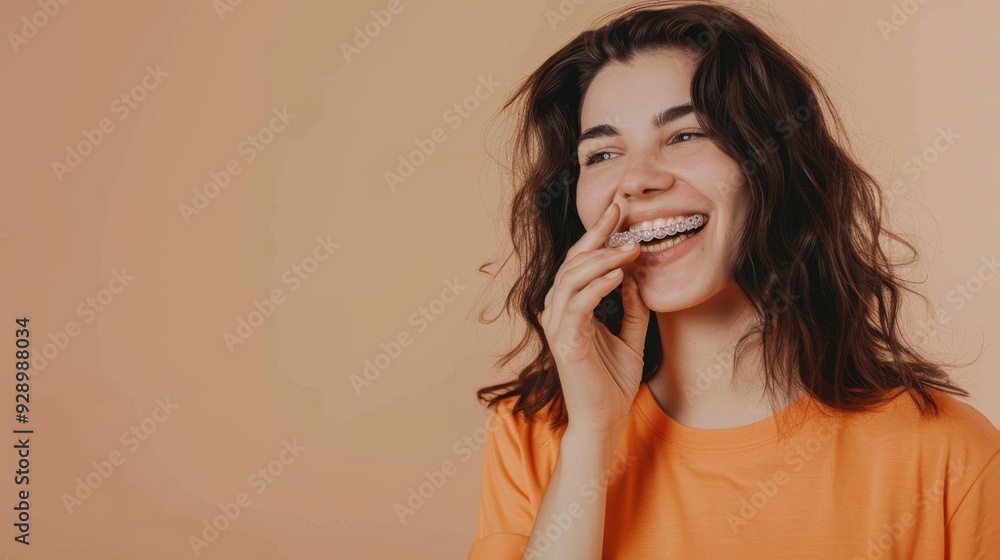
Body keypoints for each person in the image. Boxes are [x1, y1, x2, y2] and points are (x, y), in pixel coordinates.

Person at [467, 1, 1000, 558]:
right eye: (601, 153)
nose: (635, 180)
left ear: (773, 164)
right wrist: (592, 441)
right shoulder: (536, 435)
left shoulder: (949, 456)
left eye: (685, 135)